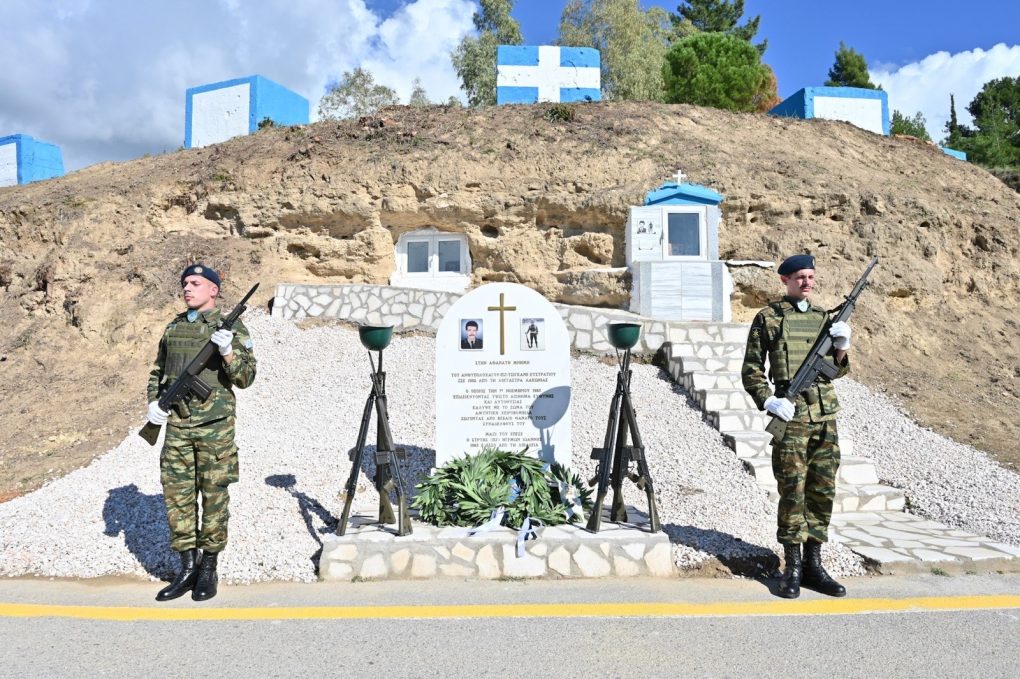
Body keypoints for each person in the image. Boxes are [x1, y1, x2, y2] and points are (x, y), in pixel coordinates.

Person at [741, 254, 852, 599]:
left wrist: (842, 348)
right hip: (791, 416)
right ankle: (793, 567)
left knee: (822, 491)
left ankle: (814, 566)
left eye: (811, 276)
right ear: (785, 280)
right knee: (793, 492)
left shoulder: (823, 319)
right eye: (800, 277)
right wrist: (768, 401)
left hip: (824, 416)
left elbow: (840, 371)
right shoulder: (769, 318)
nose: (806, 282)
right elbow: (751, 370)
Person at [146, 264, 256, 602]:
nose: (187, 288)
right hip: (177, 427)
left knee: (214, 496)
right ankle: (187, 567)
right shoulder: (174, 328)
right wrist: (155, 404)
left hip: (215, 429)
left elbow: (246, 378)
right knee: (177, 497)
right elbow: (158, 371)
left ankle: (208, 569)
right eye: (185, 284)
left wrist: (228, 352)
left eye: (195, 283)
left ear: (214, 290)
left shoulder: (233, 328)